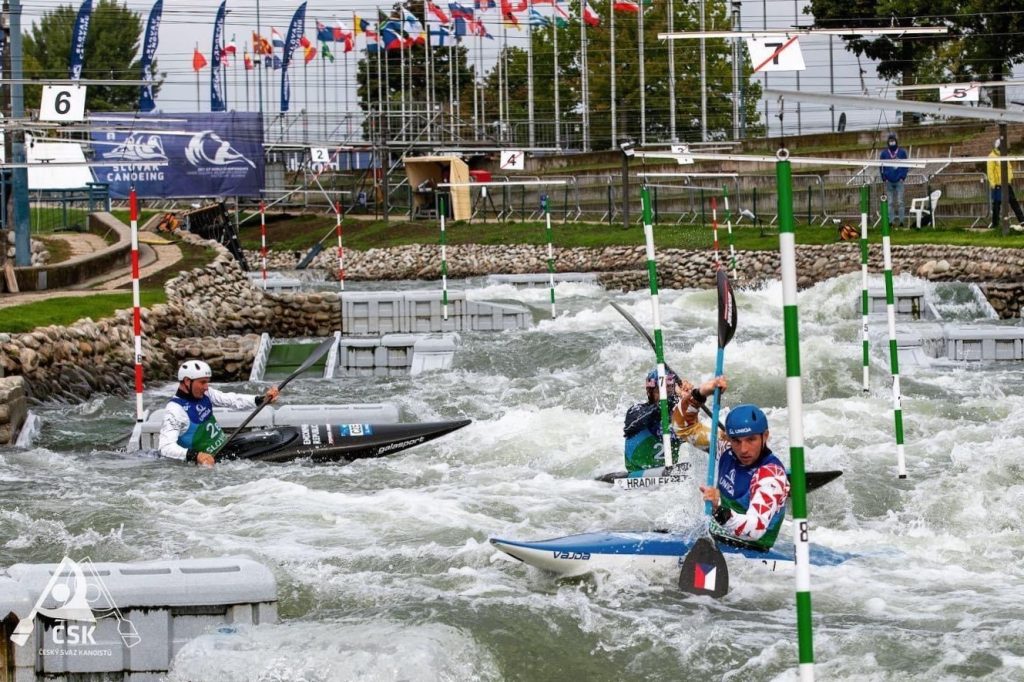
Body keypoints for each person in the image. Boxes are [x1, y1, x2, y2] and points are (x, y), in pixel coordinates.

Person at [699, 403, 790, 551]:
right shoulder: (725, 450)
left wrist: (718, 508)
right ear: (729, 438)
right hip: (718, 538)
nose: (743, 450)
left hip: (749, 552)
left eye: (751, 439)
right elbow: (685, 430)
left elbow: (754, 530)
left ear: (765, 436)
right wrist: (696, 396)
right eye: (737, 441)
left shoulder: (770, 476)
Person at [159, 360, 279, 467]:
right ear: (186, 381)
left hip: (226, 447)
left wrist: (260, 399)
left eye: (207, 382)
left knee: (273, 439)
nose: (206, 387)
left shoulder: (206, 394)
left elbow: (231, 400)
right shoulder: (174, 410)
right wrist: (196, 456)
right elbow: (165, 447)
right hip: (210, 461)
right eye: (202, 382)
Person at [622, 368, 726, 472]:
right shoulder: (636, 411)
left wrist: (689, 400)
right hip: (637, 471)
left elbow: (694, 433)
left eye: (670, 391)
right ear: (650, 392)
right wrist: (672, 399)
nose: (665, 396)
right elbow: (635, 424)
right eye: (661, 392)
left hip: (668, 473)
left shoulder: (677, 416)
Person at [988, 138, 1024, 229]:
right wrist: (993, 184)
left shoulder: (1004, 155)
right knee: (996, 205)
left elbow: (1009, 168)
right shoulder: (992, 157)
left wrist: (1010, 178)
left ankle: (1022, 221)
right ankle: (995, 225)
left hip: (1006, 184)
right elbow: (990, 172)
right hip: (997, 185)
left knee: (1014, 202)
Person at [880, 133, 909, 228]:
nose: (892, 142)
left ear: (896, 141)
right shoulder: (884, 154)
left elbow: (906, 165)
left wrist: (903, 177)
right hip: (889, 181)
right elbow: (881, 166)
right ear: (888, 142)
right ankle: (891, 222)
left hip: (899, 181)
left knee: (900, 202)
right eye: (890, 141)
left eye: (893, 140)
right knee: (890, 203)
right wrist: (884, 177)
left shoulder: (902, 152)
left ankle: (901, 221)